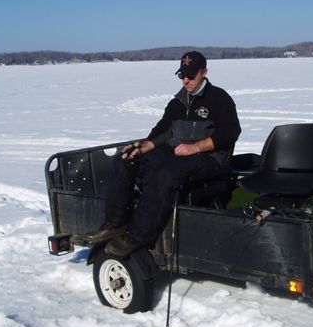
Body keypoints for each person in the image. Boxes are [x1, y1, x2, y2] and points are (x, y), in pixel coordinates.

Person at [86, 51, 241, 256]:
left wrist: (195, 147)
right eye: (182, 75)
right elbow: (164, 128)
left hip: (209, 158)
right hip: (176, 153)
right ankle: (115, 223)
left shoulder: (219, 99)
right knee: (125, 160)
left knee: (164, 174)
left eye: (190, 75)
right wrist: (144, 146)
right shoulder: (178, 102)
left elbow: (230, 132)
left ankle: (138, 236)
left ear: (204, 72)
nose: (185, 80)